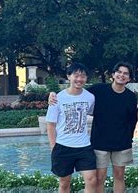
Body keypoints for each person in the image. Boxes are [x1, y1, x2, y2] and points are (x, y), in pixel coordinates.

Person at [50, 62, 138, 193]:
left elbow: (132, 120)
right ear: (113, 75)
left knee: (119, 176)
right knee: (98, 178)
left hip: (122, 142)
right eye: (119, 72)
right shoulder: (98, 90)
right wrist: (52, 94)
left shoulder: (130, 97)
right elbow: (76, 91)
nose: (122, 75)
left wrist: (129, 138)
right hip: (100, 142)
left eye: (126, 73)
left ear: (129, 78)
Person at [46, 63, 97, 192]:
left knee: (92, 179)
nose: (79, 79)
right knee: (64, 183)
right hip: (63, 146)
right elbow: (51, 125)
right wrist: (54, 148)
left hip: (84, 146)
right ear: (69, 76)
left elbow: (91, 112)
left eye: (83, 76)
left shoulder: (90, 97)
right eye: (76, 75)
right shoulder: (57, 98)